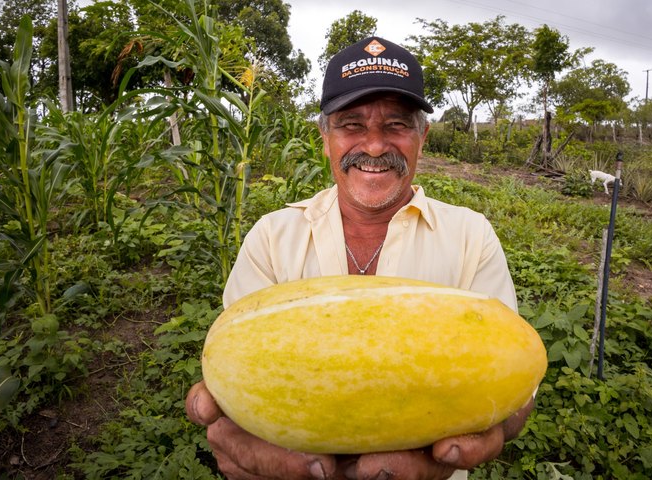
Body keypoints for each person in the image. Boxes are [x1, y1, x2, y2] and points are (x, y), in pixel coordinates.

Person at [186, 36, 534, 480]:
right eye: (351, 125)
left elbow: (514, 378)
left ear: (422, 137)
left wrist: (503, 424)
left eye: (395, 125)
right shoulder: (272, 238)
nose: (373, 146)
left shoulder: (471, 236)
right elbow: (233, 378)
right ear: (325, 136)